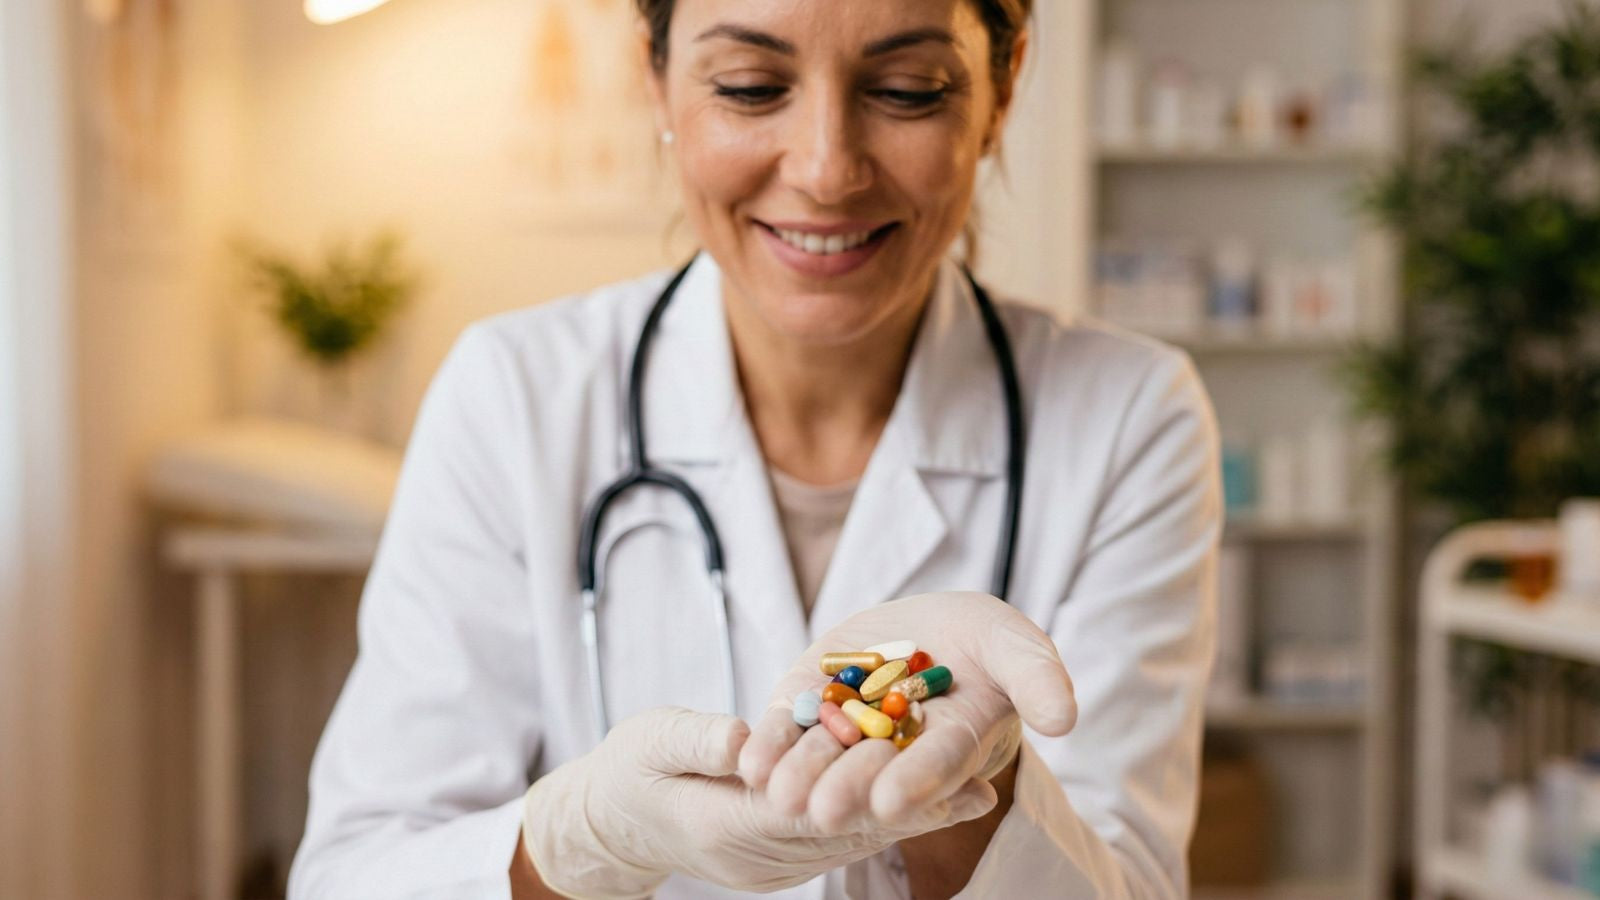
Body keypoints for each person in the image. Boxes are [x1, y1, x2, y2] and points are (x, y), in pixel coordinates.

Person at [288, 1, 1221, 897]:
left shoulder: (1129, 415)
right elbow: (352, 879)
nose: (826, 169)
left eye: (906, 89)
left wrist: (974, 788)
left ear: (1001, 94)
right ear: (655, 83)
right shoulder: (516, 394)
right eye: (746, 86)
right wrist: (584, 839)